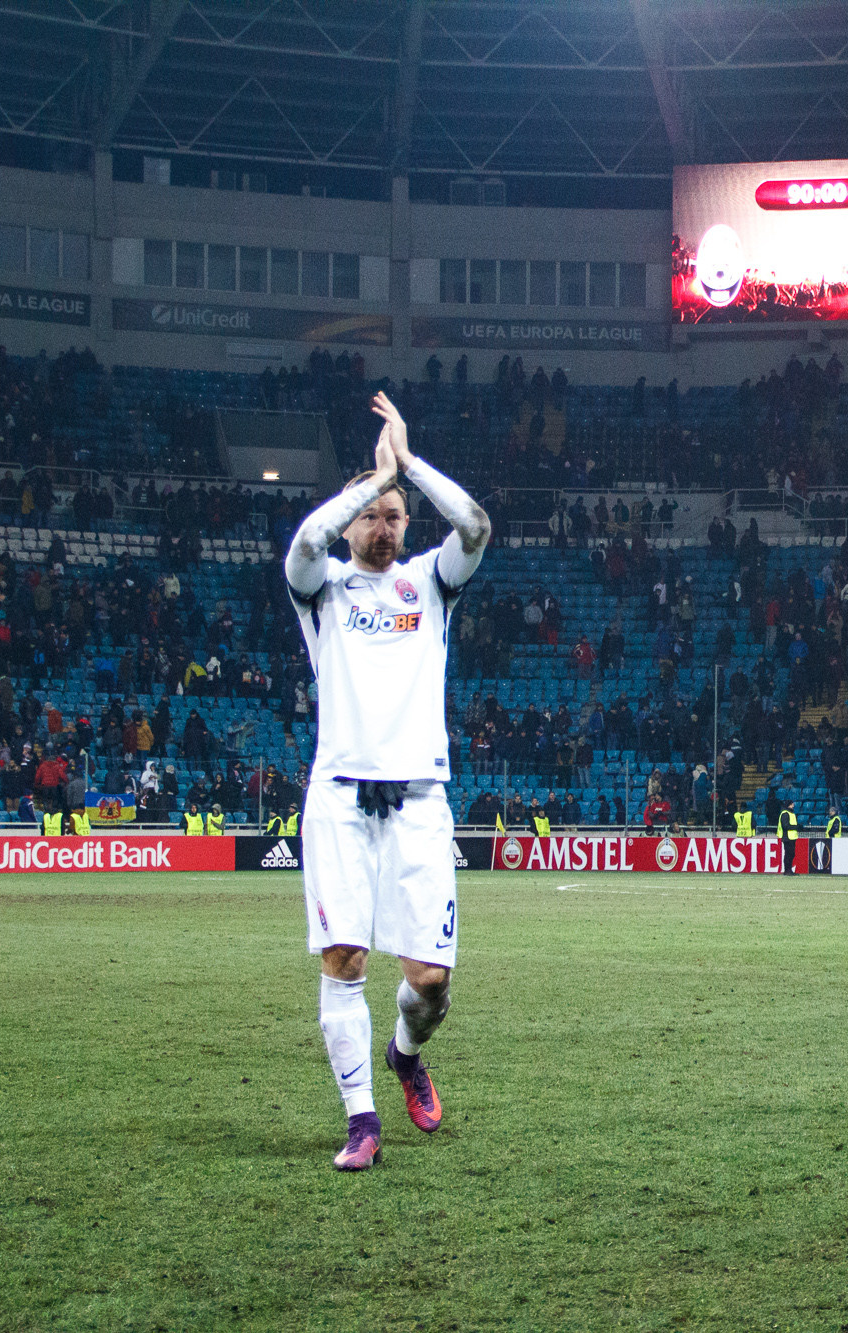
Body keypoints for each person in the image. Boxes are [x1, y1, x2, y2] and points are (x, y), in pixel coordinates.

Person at [287, 390, 490, 1172]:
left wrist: (407, 466)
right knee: (344, 960)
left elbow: (474, 526)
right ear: (354, 521)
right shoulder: (324, 587)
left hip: (419, 803)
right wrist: (367, 485)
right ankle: (361, 1119)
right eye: (373, 515)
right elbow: (306, 541)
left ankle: (406, 1055)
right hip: (340, 796)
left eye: (395, 515)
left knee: (430, 983)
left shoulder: (430, 587)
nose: (383, 526)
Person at [777, 798, 799, 875]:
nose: (793, 805)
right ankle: (787, 870)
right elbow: (785, 826)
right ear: (789, 805)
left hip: (792, 837)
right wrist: (797, 827)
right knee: (788, 854)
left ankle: (789, 870)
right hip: (787, 837)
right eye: (792, 804)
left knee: (791, 854)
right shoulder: (785, 814)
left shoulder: (791, 814)